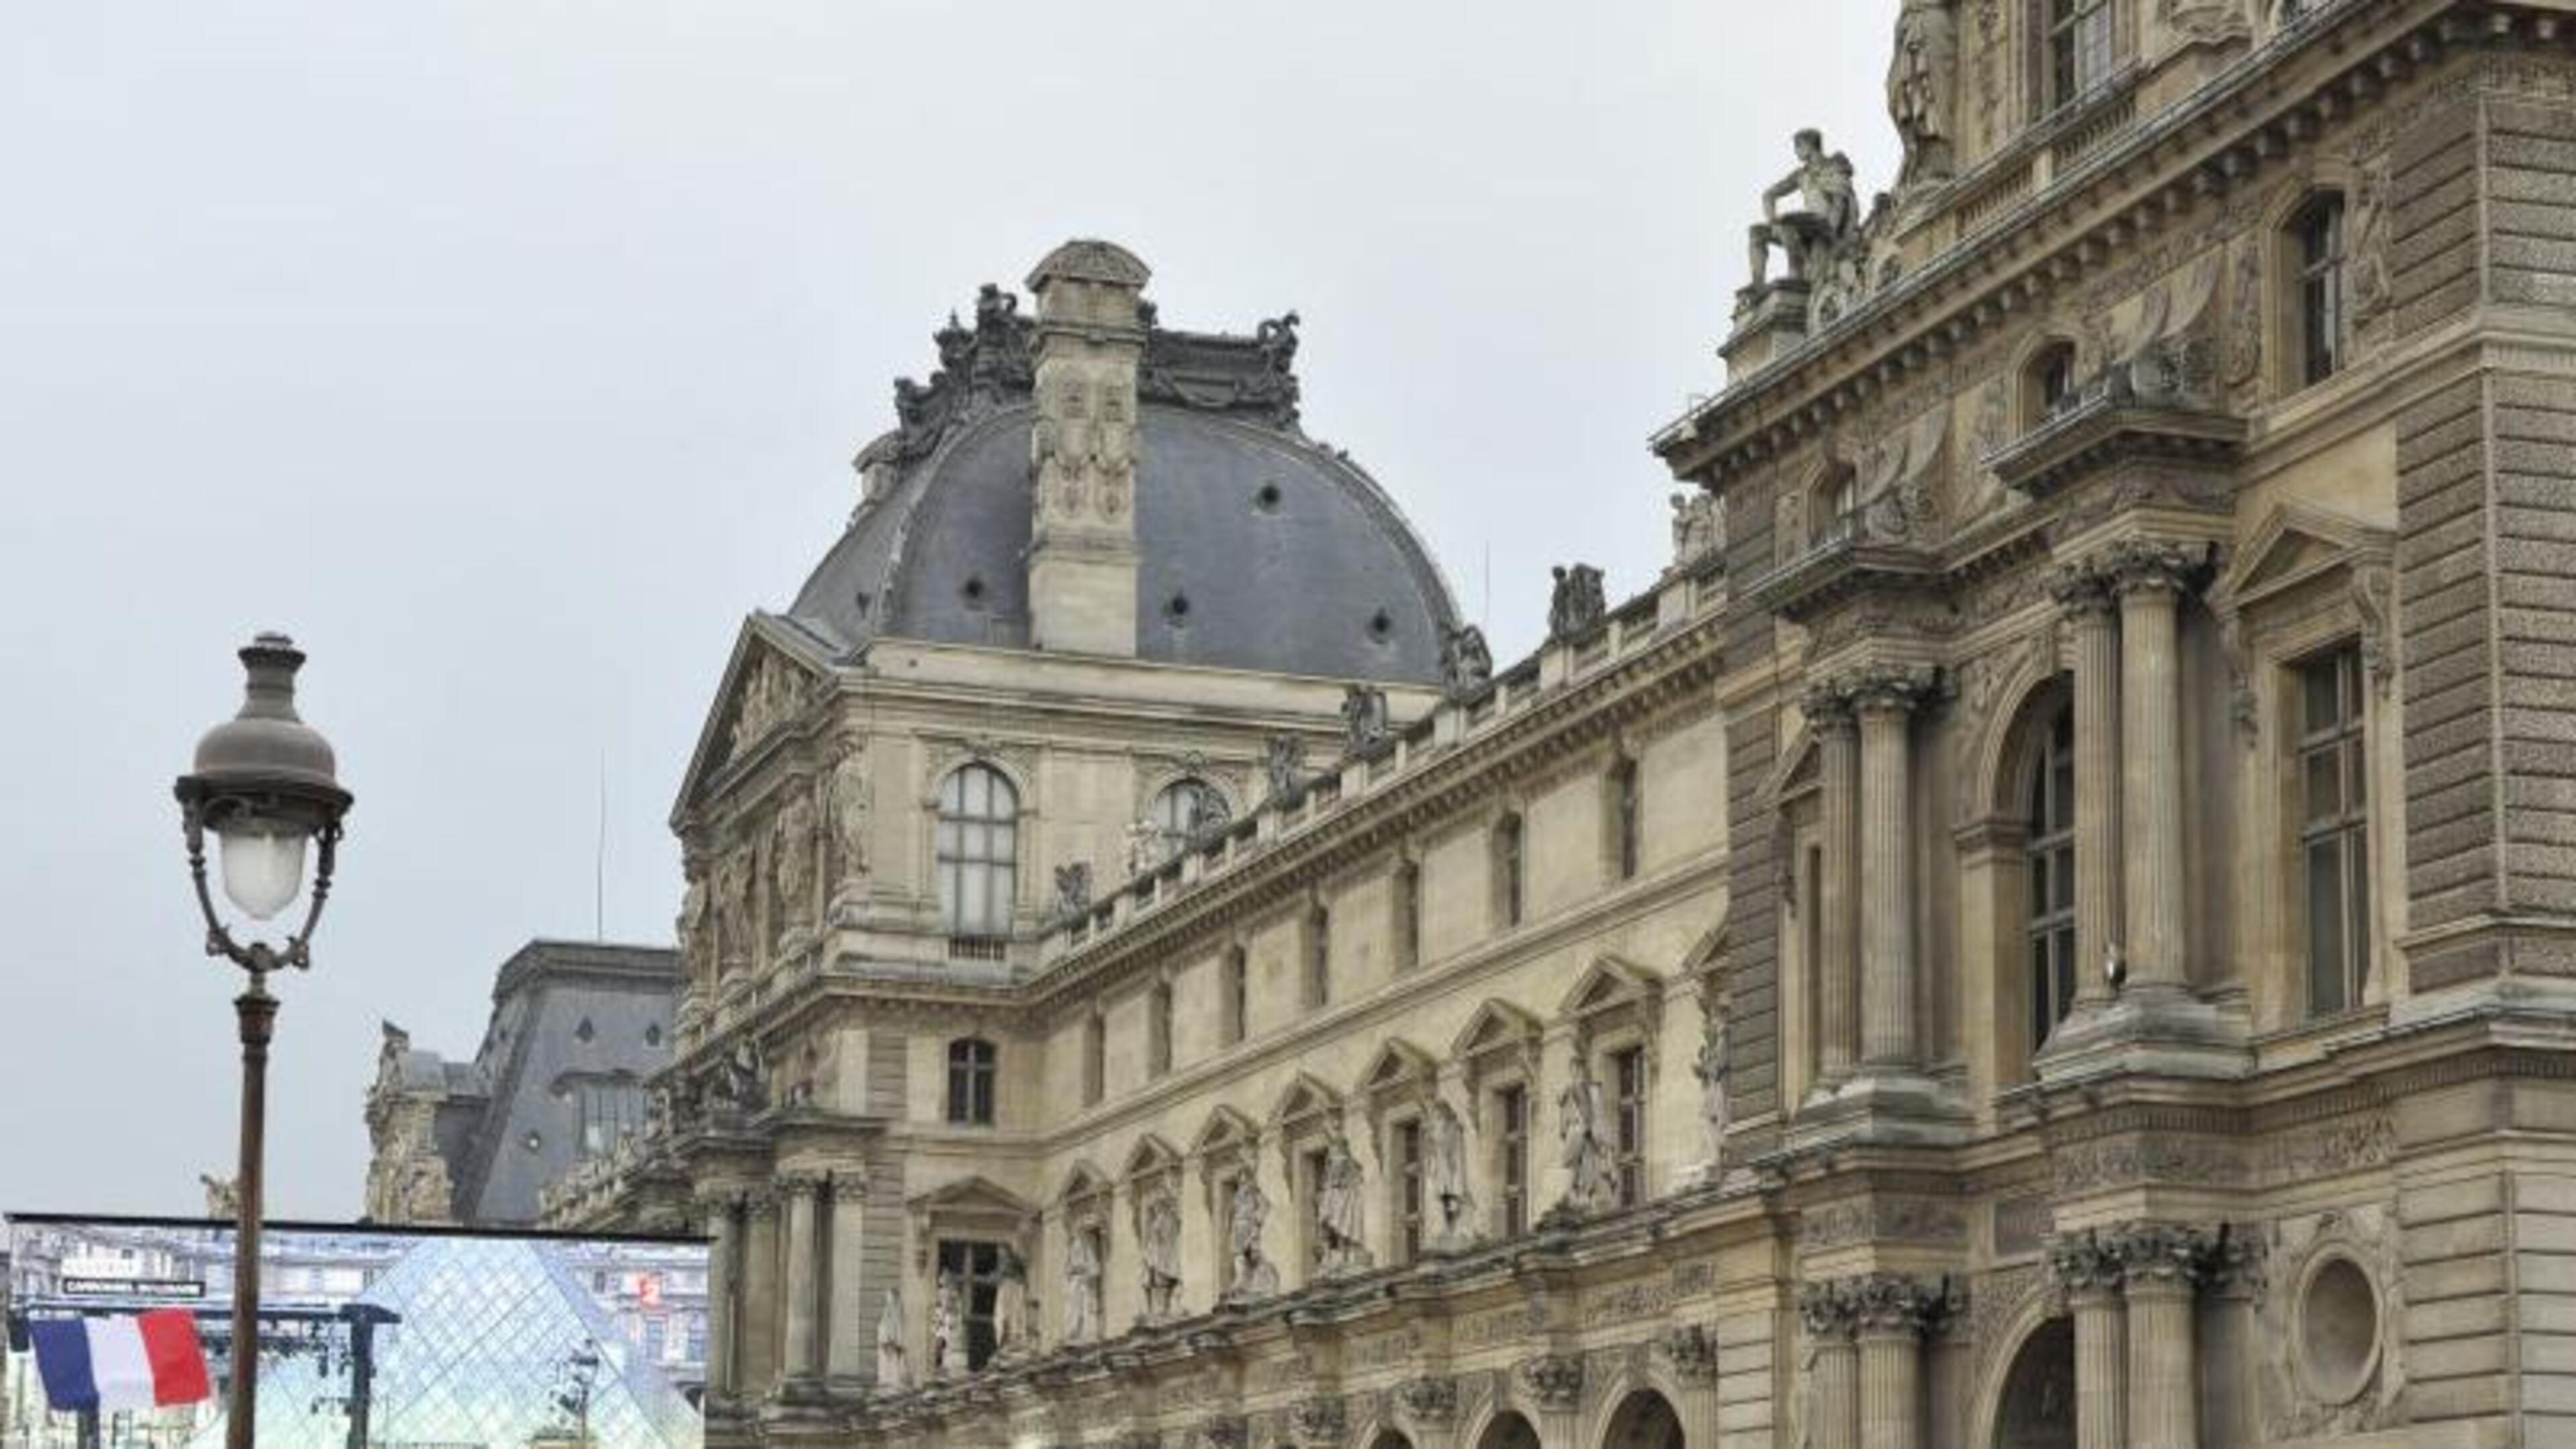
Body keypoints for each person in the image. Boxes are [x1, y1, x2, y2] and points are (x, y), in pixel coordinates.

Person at [1748, 131, 1860, 290]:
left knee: (1787, 222)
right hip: (1808, 223)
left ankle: (1796, 273)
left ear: (1809, 145)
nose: (1797, 152)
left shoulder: (1833, 164)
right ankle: (1757, 285)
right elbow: (1769, 195)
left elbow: (1841, 200)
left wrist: (1833, 233)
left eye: (1798, 147)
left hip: (1825, 221)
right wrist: (1771, 220)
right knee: (1756, 233)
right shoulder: (1801, 174)